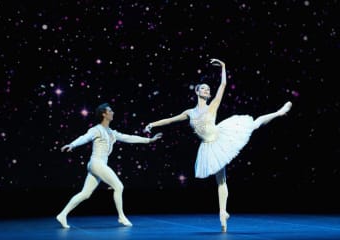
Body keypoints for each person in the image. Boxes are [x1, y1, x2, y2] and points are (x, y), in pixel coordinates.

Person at [144, 58, 292, 232]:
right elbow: (170, 120)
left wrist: (223, 66)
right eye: (204, 88)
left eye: (208, 89)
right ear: (197, 91)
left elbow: (223, 85)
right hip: (208, 147)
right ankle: (223, 213)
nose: (207, 90)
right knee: (221, 181)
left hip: (221, 138)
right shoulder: (189, 113)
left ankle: (279, 112)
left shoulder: (213, 105)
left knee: (254, 124)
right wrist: (152, 124)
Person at [56, 103, 163, 228]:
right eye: (110, 111)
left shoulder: (111, 132)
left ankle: (62, 214)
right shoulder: (96, 129)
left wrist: (149, 140)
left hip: (97, 165)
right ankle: (121, 217)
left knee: (85, 194)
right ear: (104, 114)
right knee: (119, 186)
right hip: (97, 163)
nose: (113, 112)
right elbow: (84, 137)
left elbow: (128, 138)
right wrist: (72, 145)